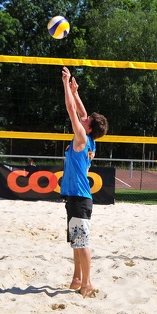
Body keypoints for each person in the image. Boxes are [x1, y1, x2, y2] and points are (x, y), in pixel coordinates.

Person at [60, 67, 109, 298]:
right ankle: (77, 278)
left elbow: (71, 110)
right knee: (76, 242)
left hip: (80, 197)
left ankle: (87, 283)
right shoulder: (90, 140)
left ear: (88, 127)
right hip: (76, 196)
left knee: (81, 242)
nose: (84, 117)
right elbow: (80, 110)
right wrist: (76, 92)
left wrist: (65, 83)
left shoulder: (81, 137)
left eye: (87, 119)